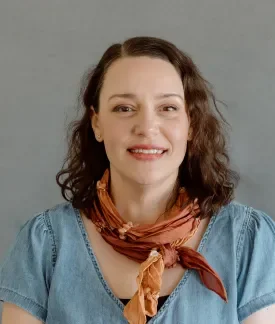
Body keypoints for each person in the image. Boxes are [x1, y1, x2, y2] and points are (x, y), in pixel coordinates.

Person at [0, 36, 275, 324]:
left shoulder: (248, 240)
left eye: (167, 108)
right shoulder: (44, 242)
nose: (146, 127)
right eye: (124, 108)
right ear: (97, 124)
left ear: (190, 124)